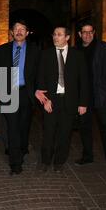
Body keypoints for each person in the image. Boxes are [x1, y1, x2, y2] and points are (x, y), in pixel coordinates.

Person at [36, 26, 89, 173]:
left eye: (59, 34)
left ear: (67, 37)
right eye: (54, 34)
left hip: (70, 101)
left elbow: (83, 81)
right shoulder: (46, 55)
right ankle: (45, 161)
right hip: (51, 101)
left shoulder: (77, 55)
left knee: (65, 134)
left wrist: (83, 103)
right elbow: (40, 80)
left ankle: (59, 161)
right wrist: (45, 100)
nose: (55, 37)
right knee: (48, 133)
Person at [75, 21, 106, 170]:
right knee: (84, 127)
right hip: (83, 96)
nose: (88, 35)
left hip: (101, 94)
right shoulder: (76, 50)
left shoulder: (103, 47)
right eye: (85, 32)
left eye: (90, 32)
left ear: (94, 33)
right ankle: (88, 156)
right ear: (79, 34)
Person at [0, 20, 41, 175]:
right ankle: (15, 163)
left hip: (26, 94)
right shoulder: (3, 50)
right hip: (9, 93)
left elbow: (39, 74)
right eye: (16, 29)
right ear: (12, 32)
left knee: (24, 127)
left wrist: (39, 91)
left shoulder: (35, 50)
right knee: (13, 128)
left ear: (27, 33)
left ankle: (22, 149)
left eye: (22, 29)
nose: (19, 31)